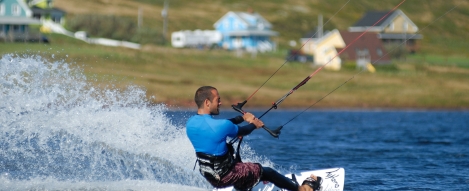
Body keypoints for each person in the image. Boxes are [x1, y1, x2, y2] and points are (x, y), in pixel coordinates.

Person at [186, 86, 322, 191]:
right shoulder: (221, 126)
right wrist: (254, 124)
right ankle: (301, 189)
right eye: (218, 100)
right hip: (226, 176)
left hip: (210, 175)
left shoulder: (191, 123)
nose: (220, 103)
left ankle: (243, 186)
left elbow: (222, 126)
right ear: (207, 102)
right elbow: (242, 130)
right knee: (266, 171)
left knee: (232, 152)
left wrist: (242, 118)